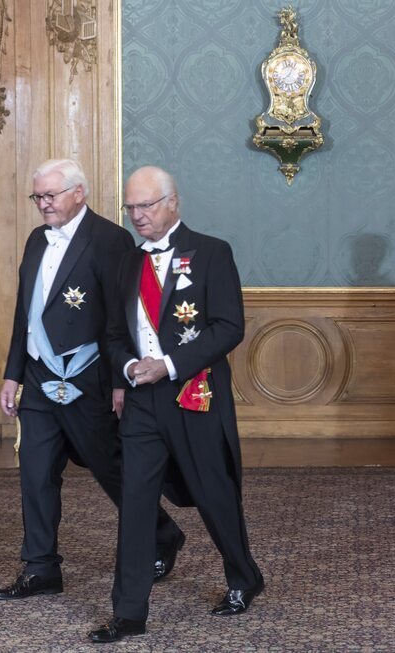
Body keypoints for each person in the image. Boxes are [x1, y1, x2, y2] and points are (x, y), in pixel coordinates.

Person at [0, 159, 183, 602]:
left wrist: (120, 381)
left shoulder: (111, 239)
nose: (43, 204)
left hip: (89, 378)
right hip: (40, 379)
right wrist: (12, 373)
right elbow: (27, 312)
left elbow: (122, 317)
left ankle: (161, 533)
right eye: (37, 197)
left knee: (110, 467)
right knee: (35, 473)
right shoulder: (37, 239)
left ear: (79, 193)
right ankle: (40, 568)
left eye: (50, 195)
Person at [88, 166, 263, 643]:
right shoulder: (127, 261)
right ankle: (129, 612)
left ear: (173, 203)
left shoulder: (210, 252)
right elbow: (114, 333)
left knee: (213, 494)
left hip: (193, 395)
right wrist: (127, 370)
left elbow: (229, 327)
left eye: (146, 205)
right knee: (136, 503)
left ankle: (244, 578)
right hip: (143, 401)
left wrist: (167, 364)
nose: (137, 216)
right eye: (131, 207)